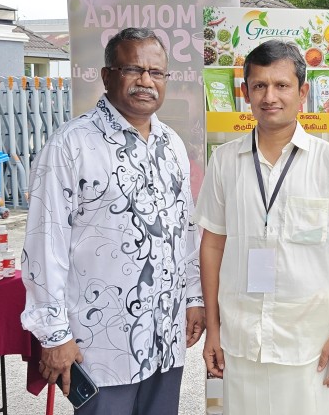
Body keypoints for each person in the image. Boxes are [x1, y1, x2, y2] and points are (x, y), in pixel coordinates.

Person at [21, 27, 205, 414]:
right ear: (107, 76)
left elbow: (185, 231)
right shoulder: (71, 145)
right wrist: (54, 335)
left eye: (156, 72)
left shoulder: (172, 144)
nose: (146, 81)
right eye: (133, 69)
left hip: (165, 340)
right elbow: (44, 246)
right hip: (101, 348)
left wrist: (193, 298)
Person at [195, 40, 329, 414]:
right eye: (259, 86)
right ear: (246, 93)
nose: (269, 96)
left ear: (302, 93)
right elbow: (212, 246)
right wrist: (214, 329)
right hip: (241, 342)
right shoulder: (224, 161)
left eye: (281, 85)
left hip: (311, 345)